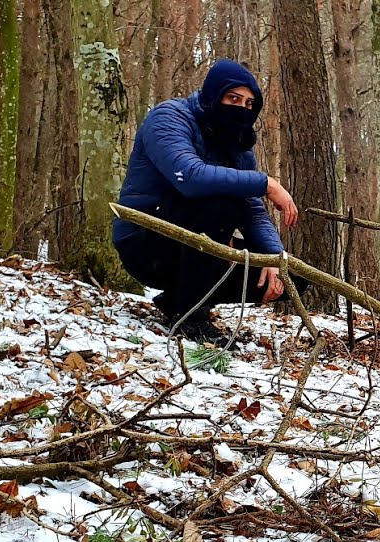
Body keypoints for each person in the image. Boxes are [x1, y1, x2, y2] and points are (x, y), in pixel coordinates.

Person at [112, 58, 299, 343]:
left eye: (249, 104)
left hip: (198, 245)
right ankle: (191, 317)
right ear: (214, 95)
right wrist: (267, 183)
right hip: (145, 241)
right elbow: (189, 177)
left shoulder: (237, 144)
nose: (241, 109)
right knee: (219, 205)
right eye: (233, 98)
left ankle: (178, 299)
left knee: (293, 278)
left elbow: (250, 208)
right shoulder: (169, 118)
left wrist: (274, 257)